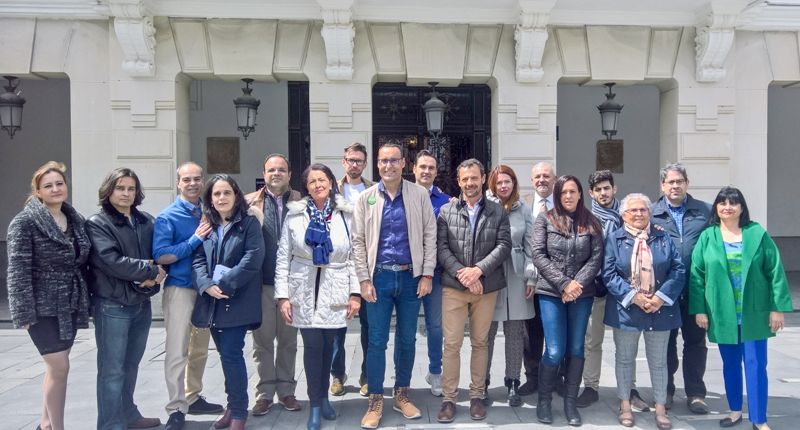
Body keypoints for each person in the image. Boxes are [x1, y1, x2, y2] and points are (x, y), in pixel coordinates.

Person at [689, 187, 793, 430]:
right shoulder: (708, 237)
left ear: (742, 207)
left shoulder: (757, 234)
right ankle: (735, 411)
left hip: (754, 312)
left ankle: (759, 419)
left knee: (756, 365)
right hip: (722, 312)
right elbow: (696, 275)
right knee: (730, 364)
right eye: (722, 203)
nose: (727, 207)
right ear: (716, 207)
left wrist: (776, 308)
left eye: (733, 203)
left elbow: (775, 271)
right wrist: (700, 309)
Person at [351, 143, 437, 429]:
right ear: (377, 165)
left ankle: (402, 393)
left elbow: (429, 235)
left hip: (411, 277)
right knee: (377, 340)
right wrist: (363, 279)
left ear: (404, 163)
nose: (388, 166)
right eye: (383, 161)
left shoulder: (419, 194)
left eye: (394, 160)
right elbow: (358, 242)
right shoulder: (366, 198)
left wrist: (426, 274)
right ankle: (375, 399)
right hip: (379, 278)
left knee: (407, 339)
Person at [275, 164, 362, 430]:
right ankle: (314, 405)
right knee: (313, 349)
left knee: (330, 348)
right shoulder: (295, 216)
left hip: (336, 289)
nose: (317, 185)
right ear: (306, 187)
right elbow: (282, 258)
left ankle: (325, 398)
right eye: (311, 181)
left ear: (331, 182)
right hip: (303, 288)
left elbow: (354, 256)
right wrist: (283, 297)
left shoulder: (346, 215)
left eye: (321, 179)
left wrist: (355, 293)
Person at [6, 161, 92, 430]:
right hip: (41, 308)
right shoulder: (24, 222)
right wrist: (23, 312)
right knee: (60, 366)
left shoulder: (75, 219)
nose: (55, 189)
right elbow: (17, 269)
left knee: (55, 369)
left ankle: (44, 424)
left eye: (59, 183)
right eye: (48, 186)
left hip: (69, 304)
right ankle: (57, 427)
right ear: (38, 191)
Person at [86, 167, 165, 430]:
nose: (126, 193)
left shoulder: (146, 221)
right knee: (111, 371)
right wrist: (150, 270)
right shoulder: (98, 223)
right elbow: (111, 261)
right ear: (109, 191)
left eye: (131, 189)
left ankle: (129, 414)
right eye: (120, 188)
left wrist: (153, 276)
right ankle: (110, 424)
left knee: (131, 365)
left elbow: (160, 253)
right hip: (112, 306)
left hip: (140, 304)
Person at [435, 159, 511, 423]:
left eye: (474, 178)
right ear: (459, 182)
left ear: (483, 178)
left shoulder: (497, 211)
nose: (470, 183)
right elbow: (441, 248)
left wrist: (478, 270)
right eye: (465, 179)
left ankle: (477, 396)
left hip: (485, 287)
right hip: (454, 287)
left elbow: (503, 246)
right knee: (452, 344)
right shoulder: (446, 211)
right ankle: (449, 399)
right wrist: (462, 274)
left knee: (480, 342)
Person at [603, 193, 685, 430]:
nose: (638, 214)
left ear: (649, 213)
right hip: (627, 310)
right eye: (633, 210)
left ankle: (660, 409)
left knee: (659, 362)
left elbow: (678, 270)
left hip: (660, 310)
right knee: (625, 360)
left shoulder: (663, 237)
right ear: (623, 214)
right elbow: (608, 274)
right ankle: (625, 405)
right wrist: (635, 297)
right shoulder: (614, 239)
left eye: (643, 210)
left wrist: (660, 297)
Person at [152, 162, 223, 430]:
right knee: (177, 350)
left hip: (206, 290)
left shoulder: (209, 210)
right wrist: (194, 239)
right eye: (187, 179)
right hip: (181, 288)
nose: (193, 183)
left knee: (200, 350)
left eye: (197, 178)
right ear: (178, 183)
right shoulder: (168, 216)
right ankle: (176, 407)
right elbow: (161, 255)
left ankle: (192, 396)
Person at [191, 175, 264, 430]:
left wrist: (223, 284)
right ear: (210, 199)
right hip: (212, 302)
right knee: (225, 356)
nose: (221, 198)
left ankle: (239, 413)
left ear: (236, 196)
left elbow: (253, 259)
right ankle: (232, 407)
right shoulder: (208, 226)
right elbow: (198, 259)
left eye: (226, 193)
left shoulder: (249, 224)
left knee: (232, 354)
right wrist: (206, 285)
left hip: (237, 299)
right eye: (216, 194)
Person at [531, 174, 603, 426]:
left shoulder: (591, 222)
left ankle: (570, 403)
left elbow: (596, 259)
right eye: (563, 193)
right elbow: (539, 254)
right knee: (554, 350)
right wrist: (563, 283)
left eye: (573, 191)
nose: (569, 196)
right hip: (551, 293)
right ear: (557, 196)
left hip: (581, 295)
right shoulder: (545, 219)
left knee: (575, 349)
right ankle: (544, 401)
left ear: (581, 193)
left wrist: (576, 285)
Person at [576, 170, 650, 411]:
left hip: (628, 289)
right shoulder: (586, 219)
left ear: (614, 189)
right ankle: (591, 386)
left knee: (626, 343)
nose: (603, 193)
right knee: (593, 340)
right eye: (598, 190)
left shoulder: (627, 214)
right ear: (591, 193)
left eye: (606, 188)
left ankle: (630, 388)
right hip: (598, 288)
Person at [650, 163, 711, 413]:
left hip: (696, 290)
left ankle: (696, 393)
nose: (675, 186)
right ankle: (666, 390)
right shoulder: (652, 213)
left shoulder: (705, 212)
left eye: (679, 181)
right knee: (666, 344)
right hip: (665, 292)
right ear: (662, 186)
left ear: (687, 183)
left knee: (695, 343)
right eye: (670, 182)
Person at [245, 154, 303, 415]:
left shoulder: (302, 202)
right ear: (264, 173)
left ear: (290, 174)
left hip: (292, 286)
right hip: (262, 285)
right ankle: (265, 392)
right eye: (271, 170)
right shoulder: (249, 203)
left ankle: (287, 391)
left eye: (281, 169)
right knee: (263, 342)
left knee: (289, 341)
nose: (276, 173)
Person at [484, 164, 535, 407]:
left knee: (515, 333)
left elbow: (531, 245)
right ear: (492, 184)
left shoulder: (523, 208)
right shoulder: (484, 206)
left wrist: (531, 276)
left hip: (516, 275)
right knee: (486, 332)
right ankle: (481, 382)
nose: (504, 186)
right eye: (499, 182)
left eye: (508, 181)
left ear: (514, 183)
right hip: (491, 274)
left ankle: (513, 381)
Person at [330, 143, 373, 397]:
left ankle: (367, 375)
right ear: (343, 162)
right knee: (337, 326)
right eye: (350, 160)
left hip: (367, 266)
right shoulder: (332, 188)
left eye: (359, 160)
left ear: (365, 164)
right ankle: (337, 375)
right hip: (338, 267)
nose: (354, 164)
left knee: (369, 325)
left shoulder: (374, 190)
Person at [412, 149, 451, 397]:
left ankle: (435, 371)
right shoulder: (402, 196)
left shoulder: (446, 201)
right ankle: (402, 377)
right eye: (422, 167)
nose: (426, 171)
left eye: (431, 168)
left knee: (435, 326)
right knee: (407, 329)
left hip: (435, 274)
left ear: (436, 172)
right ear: (414, 169)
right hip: (409, 272)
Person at [518, 161, 555, 396]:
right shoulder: (523, 206)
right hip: (530, 279)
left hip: (556, 281)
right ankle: (532, 376)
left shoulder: (564, 205)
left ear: (554, 179)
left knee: (556, 331)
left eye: (546, 176)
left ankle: (556, 377)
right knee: (530, 332)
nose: (541, 180)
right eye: (537, 177)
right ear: (532, 181)